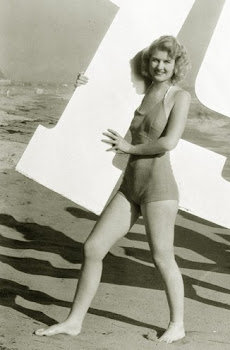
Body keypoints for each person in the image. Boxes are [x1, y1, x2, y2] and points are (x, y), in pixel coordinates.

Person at [35, 35, 192, 343]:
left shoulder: (179, 96)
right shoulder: (143, 90)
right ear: (148, 64)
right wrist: (84, 84)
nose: (160, 66)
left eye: (167, 61)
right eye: (155, 60)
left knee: (162, 256)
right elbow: (103, 96)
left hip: (159, 188)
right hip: (130, 186)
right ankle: (74, 321)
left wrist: (128, 148)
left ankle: (178, 324)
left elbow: (168, 142)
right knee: (93, 248)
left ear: (176, 66)